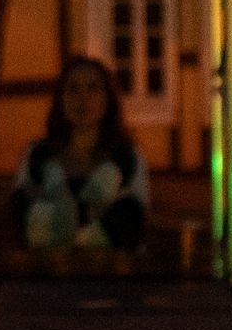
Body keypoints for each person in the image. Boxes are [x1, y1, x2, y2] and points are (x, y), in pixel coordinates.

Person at [12, 56, 149, 274]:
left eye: (93, 88)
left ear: (108, 98)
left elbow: (130, 224)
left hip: (110, 277)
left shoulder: (127, 158)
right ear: (61, 98)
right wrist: (91, 216)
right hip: (47, 276)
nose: (82, 99)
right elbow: (23, 217)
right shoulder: (37, 156)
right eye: (73, 89)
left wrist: (60, 219)